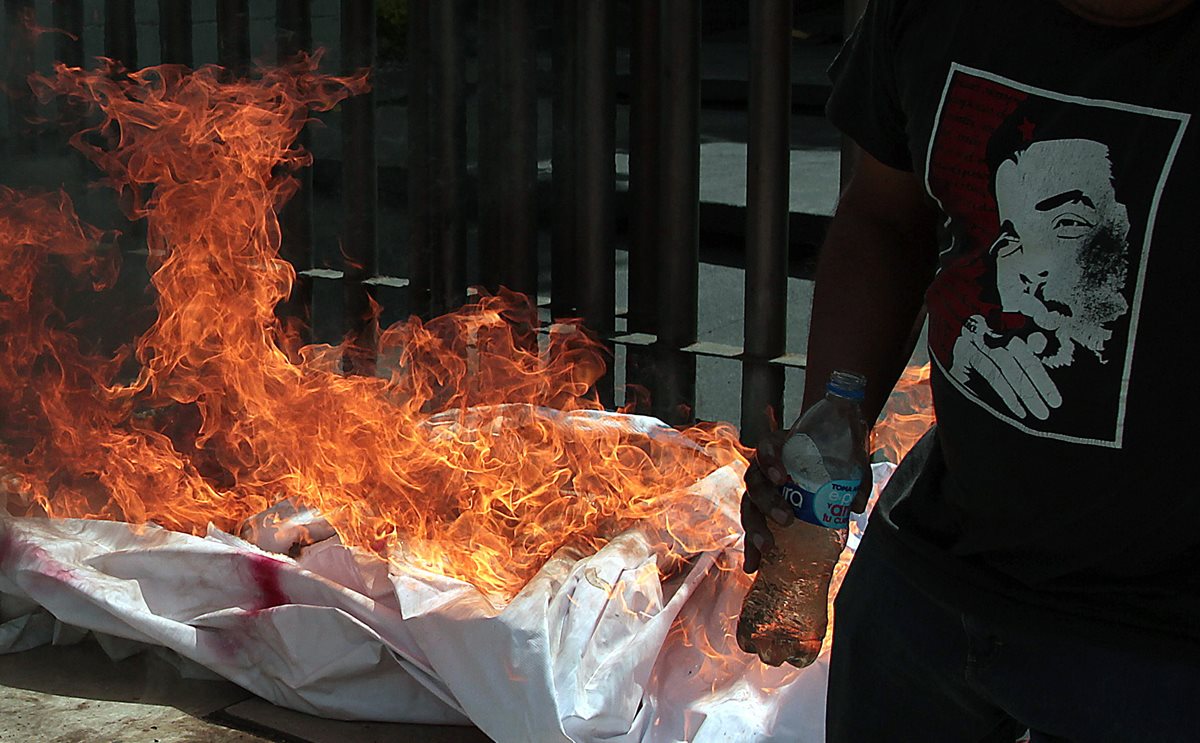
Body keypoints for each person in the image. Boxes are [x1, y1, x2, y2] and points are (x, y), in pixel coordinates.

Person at [739, 1, 1200, 740]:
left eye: (1071, 225)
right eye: (1014, 239)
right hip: (931, 573)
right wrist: (829, 425)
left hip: (1157, 637)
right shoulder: (938, 14)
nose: (1017, 281)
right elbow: (887, 215)